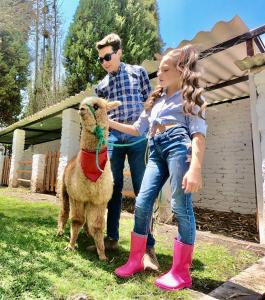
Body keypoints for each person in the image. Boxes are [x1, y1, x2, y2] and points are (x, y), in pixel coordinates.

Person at [108, 44, 207, 291]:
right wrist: (109, 122)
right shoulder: (156, 101)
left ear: (181, 71)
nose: (159, 74)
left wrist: (195, 166)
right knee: (142, 202)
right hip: (156, 150)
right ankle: (136, 259)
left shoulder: (190, 97)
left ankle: (181, 272)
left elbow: (198, 134)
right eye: (159, 70)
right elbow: (136, 129)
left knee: (180, 206)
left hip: (178, 146)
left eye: (165, 69)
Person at [95, 33, 159, 268]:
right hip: (113, 141)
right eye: (101, 59)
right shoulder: (101, 86)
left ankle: (147, 247)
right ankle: (111, 239)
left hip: (138, 138)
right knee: (112, 190)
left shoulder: (138, 72)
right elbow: (101, 118)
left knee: (143, 190)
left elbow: (149, 104)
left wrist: (145, 130)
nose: (104, 62)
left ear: (119, 52)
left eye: (108, 56)